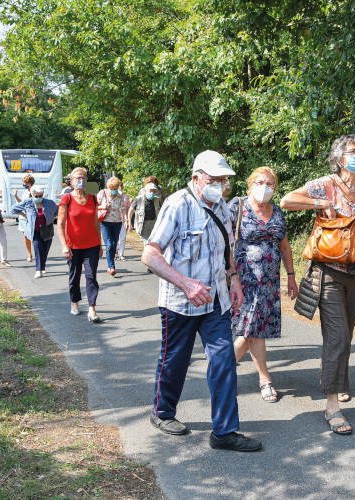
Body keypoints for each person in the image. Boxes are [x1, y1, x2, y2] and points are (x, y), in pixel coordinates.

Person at [141, 150, 262, 452]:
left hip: (216, 302)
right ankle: (162, 411)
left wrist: (233, 280)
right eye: (214, 179)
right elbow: (150, 254)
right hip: (180, 303)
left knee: (223, 361)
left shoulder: (221, 206)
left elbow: (226, 250)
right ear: (196, 178)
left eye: (223, 180)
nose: (220, 185)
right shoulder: (176, 205)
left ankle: (223, 432)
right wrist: (185, 284)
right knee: (175, 361)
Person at [280, 133, 355, 435]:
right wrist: (320, 202)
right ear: (339, 158)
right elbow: (286, 200)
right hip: (329, 270)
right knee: (336, 336)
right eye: (352, 151)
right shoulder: (325, 183)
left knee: (346, 334)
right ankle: (332, 406)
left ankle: (341, 384)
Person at [230, 167, 297, 403]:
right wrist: (230, 277)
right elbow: (222, 244)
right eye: (260, 182)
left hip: (269, 282)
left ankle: (263, 378)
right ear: (249, 184)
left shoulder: (277, 211)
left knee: (255, 330)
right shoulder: (236, 208)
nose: (265, 187)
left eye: (270, 184)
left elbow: (285, 246)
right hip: (243, 281)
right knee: (249, 330)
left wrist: (291, 275)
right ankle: (222, 370)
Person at [58, 167, 104, 323]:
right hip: (73, 246)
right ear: (71, 181)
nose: (81, 180)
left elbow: (97, 224)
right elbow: (60, 223)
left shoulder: (93, 198)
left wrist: (100, 244)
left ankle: (92, 308)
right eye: (78, 178)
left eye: (84, 177)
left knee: (91, 277)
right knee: (75, 275)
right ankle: (75, 302)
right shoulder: (67, 199)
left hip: (92, 244)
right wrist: (64, 245)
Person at [11, 185, 58, 279]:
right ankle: (38, 270)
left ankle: (42, 266)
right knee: (37, 248)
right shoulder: (28, 202)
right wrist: (24, 215)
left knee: (45, 250)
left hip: (47, 230)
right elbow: (14, 209)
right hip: (34, 231)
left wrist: (53, 217)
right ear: (32, 195)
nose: (39, 198)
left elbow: (57, 210)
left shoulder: (49, 202)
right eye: (36, 196)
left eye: (40, 196)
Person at [97, 177, 128, 276]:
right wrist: (103, 206)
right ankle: (111, 266)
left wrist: (126, 220)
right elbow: (94, 205)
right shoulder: (102, 193)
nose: (114, 190)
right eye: (112, 188)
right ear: (108, 187)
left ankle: (111, 265)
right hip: (105, 222)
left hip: (117, 222)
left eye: (115, 188)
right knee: (109, 244)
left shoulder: (120, 195)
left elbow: (123, 208)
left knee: (114, 245)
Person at [13, 174, 35, 262]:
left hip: (31, 215)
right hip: (23, 216)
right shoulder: (25, 192)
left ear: (29, 183)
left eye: (25, 183)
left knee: (32, 236)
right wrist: (15, 196)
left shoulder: (34, 191)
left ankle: (37, 252)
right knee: (25, 236)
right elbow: (21, 203)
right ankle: (29, 254)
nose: (23, 185)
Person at [116, 189, 132, 261]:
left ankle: (121, 253)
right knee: (115, 238)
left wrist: (127, 220)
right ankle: (115, 252)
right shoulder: (110, 196)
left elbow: (127, 209)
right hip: (113, 219)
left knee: (122, 237)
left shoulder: (126, 197)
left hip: (123, 219)